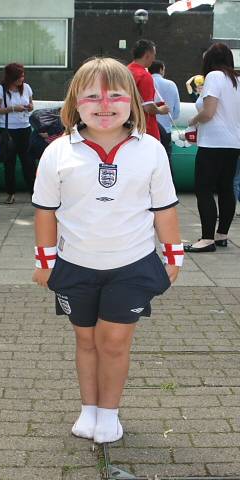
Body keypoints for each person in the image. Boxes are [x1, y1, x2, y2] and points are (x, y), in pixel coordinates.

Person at [32, 57, 183, 444]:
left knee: (114, 341)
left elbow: (164, 209)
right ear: (74, 104)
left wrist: (174, 256)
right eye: (91, 96)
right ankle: (89, 410)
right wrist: (44, 263)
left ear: (131, 100)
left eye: (115, 95)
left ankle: (110, 413)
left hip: (131, 266)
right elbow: (45, 212)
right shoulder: (58, 152)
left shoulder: (151, 149)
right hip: (75, 266)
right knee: (85, 340)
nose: (104, 105)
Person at [184, 43, 240, 253]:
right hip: (233, 143)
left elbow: (208, 113)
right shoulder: (236, 79)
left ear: (209, 59)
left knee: (204, 189)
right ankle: (221, 236)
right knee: (226, 188)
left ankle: (206, 238)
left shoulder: (214, 77)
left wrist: (192, 120)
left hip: (213, 142)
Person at [0, 63, 35, 204]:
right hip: (8, 131)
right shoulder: (0, 89)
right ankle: (10, 193)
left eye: (22, 77)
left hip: (25, 129)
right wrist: (12, 108)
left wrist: (29, 107)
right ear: (10, 77)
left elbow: (31, 105)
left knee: (29, 162)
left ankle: (34, 193)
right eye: (18, 77)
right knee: (9, 163)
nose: (21, 80)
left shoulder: (26, 87)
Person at [128, 39, 169, 140]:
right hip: (145, 127)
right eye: (154, 55)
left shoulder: (125, 71)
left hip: (127, 125)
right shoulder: (145, 76)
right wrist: (160, 110)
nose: (154, 58)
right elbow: (148, 107)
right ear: (147, 55)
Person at [148, 60, 180, 170]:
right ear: (161, 69)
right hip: (166, 130)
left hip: (147, 129)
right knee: (165, 160)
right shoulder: (171, 84)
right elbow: (176, 112)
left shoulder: (145, 82)